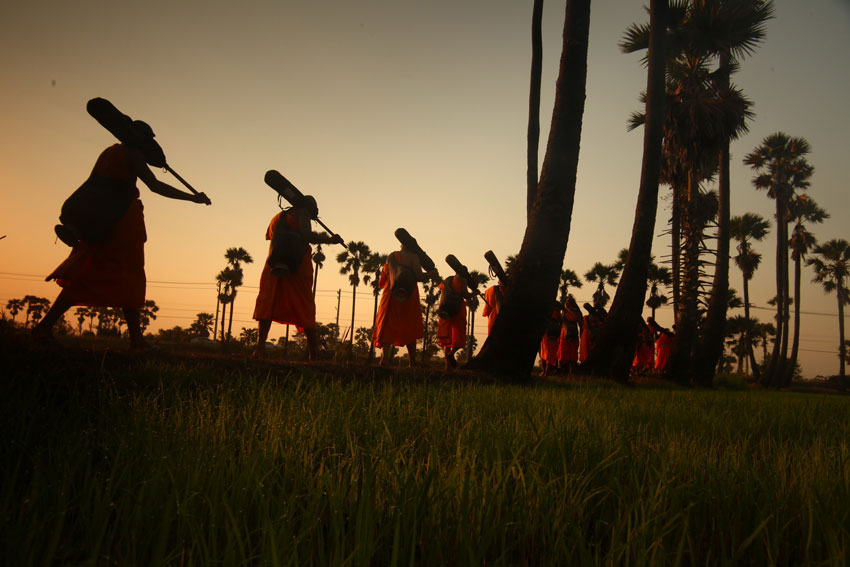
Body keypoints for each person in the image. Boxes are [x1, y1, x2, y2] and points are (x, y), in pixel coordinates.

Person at [33, 128, 210, 348]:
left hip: (101, 222)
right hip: (119, 224)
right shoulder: (133, 154)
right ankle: (136, 341)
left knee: (96, 275)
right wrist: (192, 198)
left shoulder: (110, 152)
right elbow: (155, 186)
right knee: (128, 276)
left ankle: (134, 339)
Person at [252, 195, 343, 360]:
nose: (316, 210)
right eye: (315, 206)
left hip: (273, 265)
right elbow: (307, 236)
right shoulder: (303, 213)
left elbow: (271, 236)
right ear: (308, 206)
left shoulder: (278, 217)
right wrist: (329, 240)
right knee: (305, 305)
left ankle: (260, 348)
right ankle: (314, 353)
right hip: (297, 267)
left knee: (268, 302)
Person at [372, 242, 437, 366]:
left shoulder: (391, 256)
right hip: (408, 295)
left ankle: (384, 359)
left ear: (401, 245)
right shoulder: (414, 257)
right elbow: (419, 276)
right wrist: (432, 273)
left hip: (391, 293)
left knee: (388, 325)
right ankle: (412, 362)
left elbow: (384, 277)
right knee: (409, 326)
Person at [436, 273, 471, 370]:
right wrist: (475, 293)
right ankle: (451, 353)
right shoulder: (463, 280)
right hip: (458, 310)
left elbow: (441, 288)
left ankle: (448, 367)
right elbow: (466, 295)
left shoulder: (448, 279)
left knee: (448, 339)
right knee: (460, 336)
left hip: (446, 310)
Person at [558, 295, 582, 374]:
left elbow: (579, 321)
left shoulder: (576, 312)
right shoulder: (565, 312)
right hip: (565, 333)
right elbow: (561, 322)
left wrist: (568, 309)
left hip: (573, 333)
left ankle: (570, 371)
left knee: (572, 353)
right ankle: (562, 370)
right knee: (563, 352)